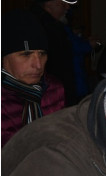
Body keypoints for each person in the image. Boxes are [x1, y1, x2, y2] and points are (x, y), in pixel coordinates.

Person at [2, 9, 65, 146]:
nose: (38, 65)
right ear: (3, 57)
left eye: (42, 54)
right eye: (26, 54)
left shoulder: (54, 89)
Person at [30, 0, 77, 105]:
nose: (67, 7)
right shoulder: (44, 27)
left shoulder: (53, 26)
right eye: (62, 3)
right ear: (49, 4)